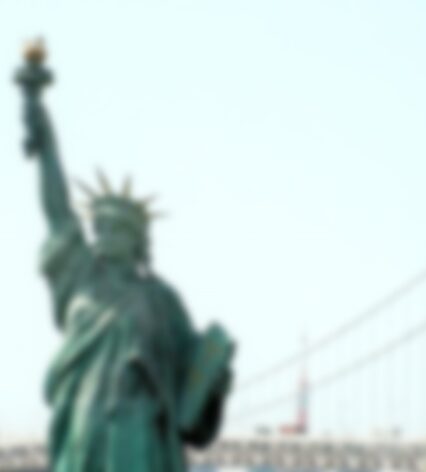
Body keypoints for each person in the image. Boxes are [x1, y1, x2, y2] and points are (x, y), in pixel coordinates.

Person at [15, 40, 233, 472]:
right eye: (99, 227)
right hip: (84, 423)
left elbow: (191, 374)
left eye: (116, 229)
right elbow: (57, 206)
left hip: (139, 430)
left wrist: (215, 379)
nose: (103, 235)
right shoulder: (80, 274)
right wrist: (39, 117)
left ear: (138, 242)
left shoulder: (162, 301)